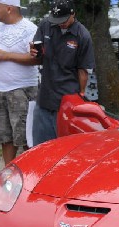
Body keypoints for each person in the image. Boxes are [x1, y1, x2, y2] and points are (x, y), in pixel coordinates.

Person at [0, 0, 38, 165]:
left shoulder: (30, 29)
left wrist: (8, 55)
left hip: (22, 90)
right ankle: (9, 174)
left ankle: (30, 175)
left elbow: (37, 58)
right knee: (5, 137)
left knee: (26, 137)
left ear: (9, 8)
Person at [30, 0, 95, 146]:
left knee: (64, 147)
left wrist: (81, 95)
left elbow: (83, 69)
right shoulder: (45, 25)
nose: (60, 23)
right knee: (40, 147)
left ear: (73, 14)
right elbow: (36, 51)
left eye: (63, 20)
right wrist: (34, 52)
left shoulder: (82, 35)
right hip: (45, 97)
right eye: (56, 20)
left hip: (67, 99)